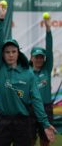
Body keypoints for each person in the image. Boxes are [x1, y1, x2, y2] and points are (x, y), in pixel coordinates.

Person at [0, 4, 56, 146]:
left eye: (13, 51)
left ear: (18, 53)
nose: (10, 55)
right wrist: (1, 19)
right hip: (2, 122)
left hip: (23, 122)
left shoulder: (28, 74)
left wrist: (45, 123)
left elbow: (37, 100)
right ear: (2, 54)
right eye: (7, 52)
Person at [30, 16, 53, 146]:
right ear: (31, 58)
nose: (39, 59)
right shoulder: (26, 73)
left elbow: (49, 50)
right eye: (36, 57)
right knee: (30, 139)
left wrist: (48, 29)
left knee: (45, 139)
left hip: (46, 108)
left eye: (41, 57)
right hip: (31, 109)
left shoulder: (47, 69)